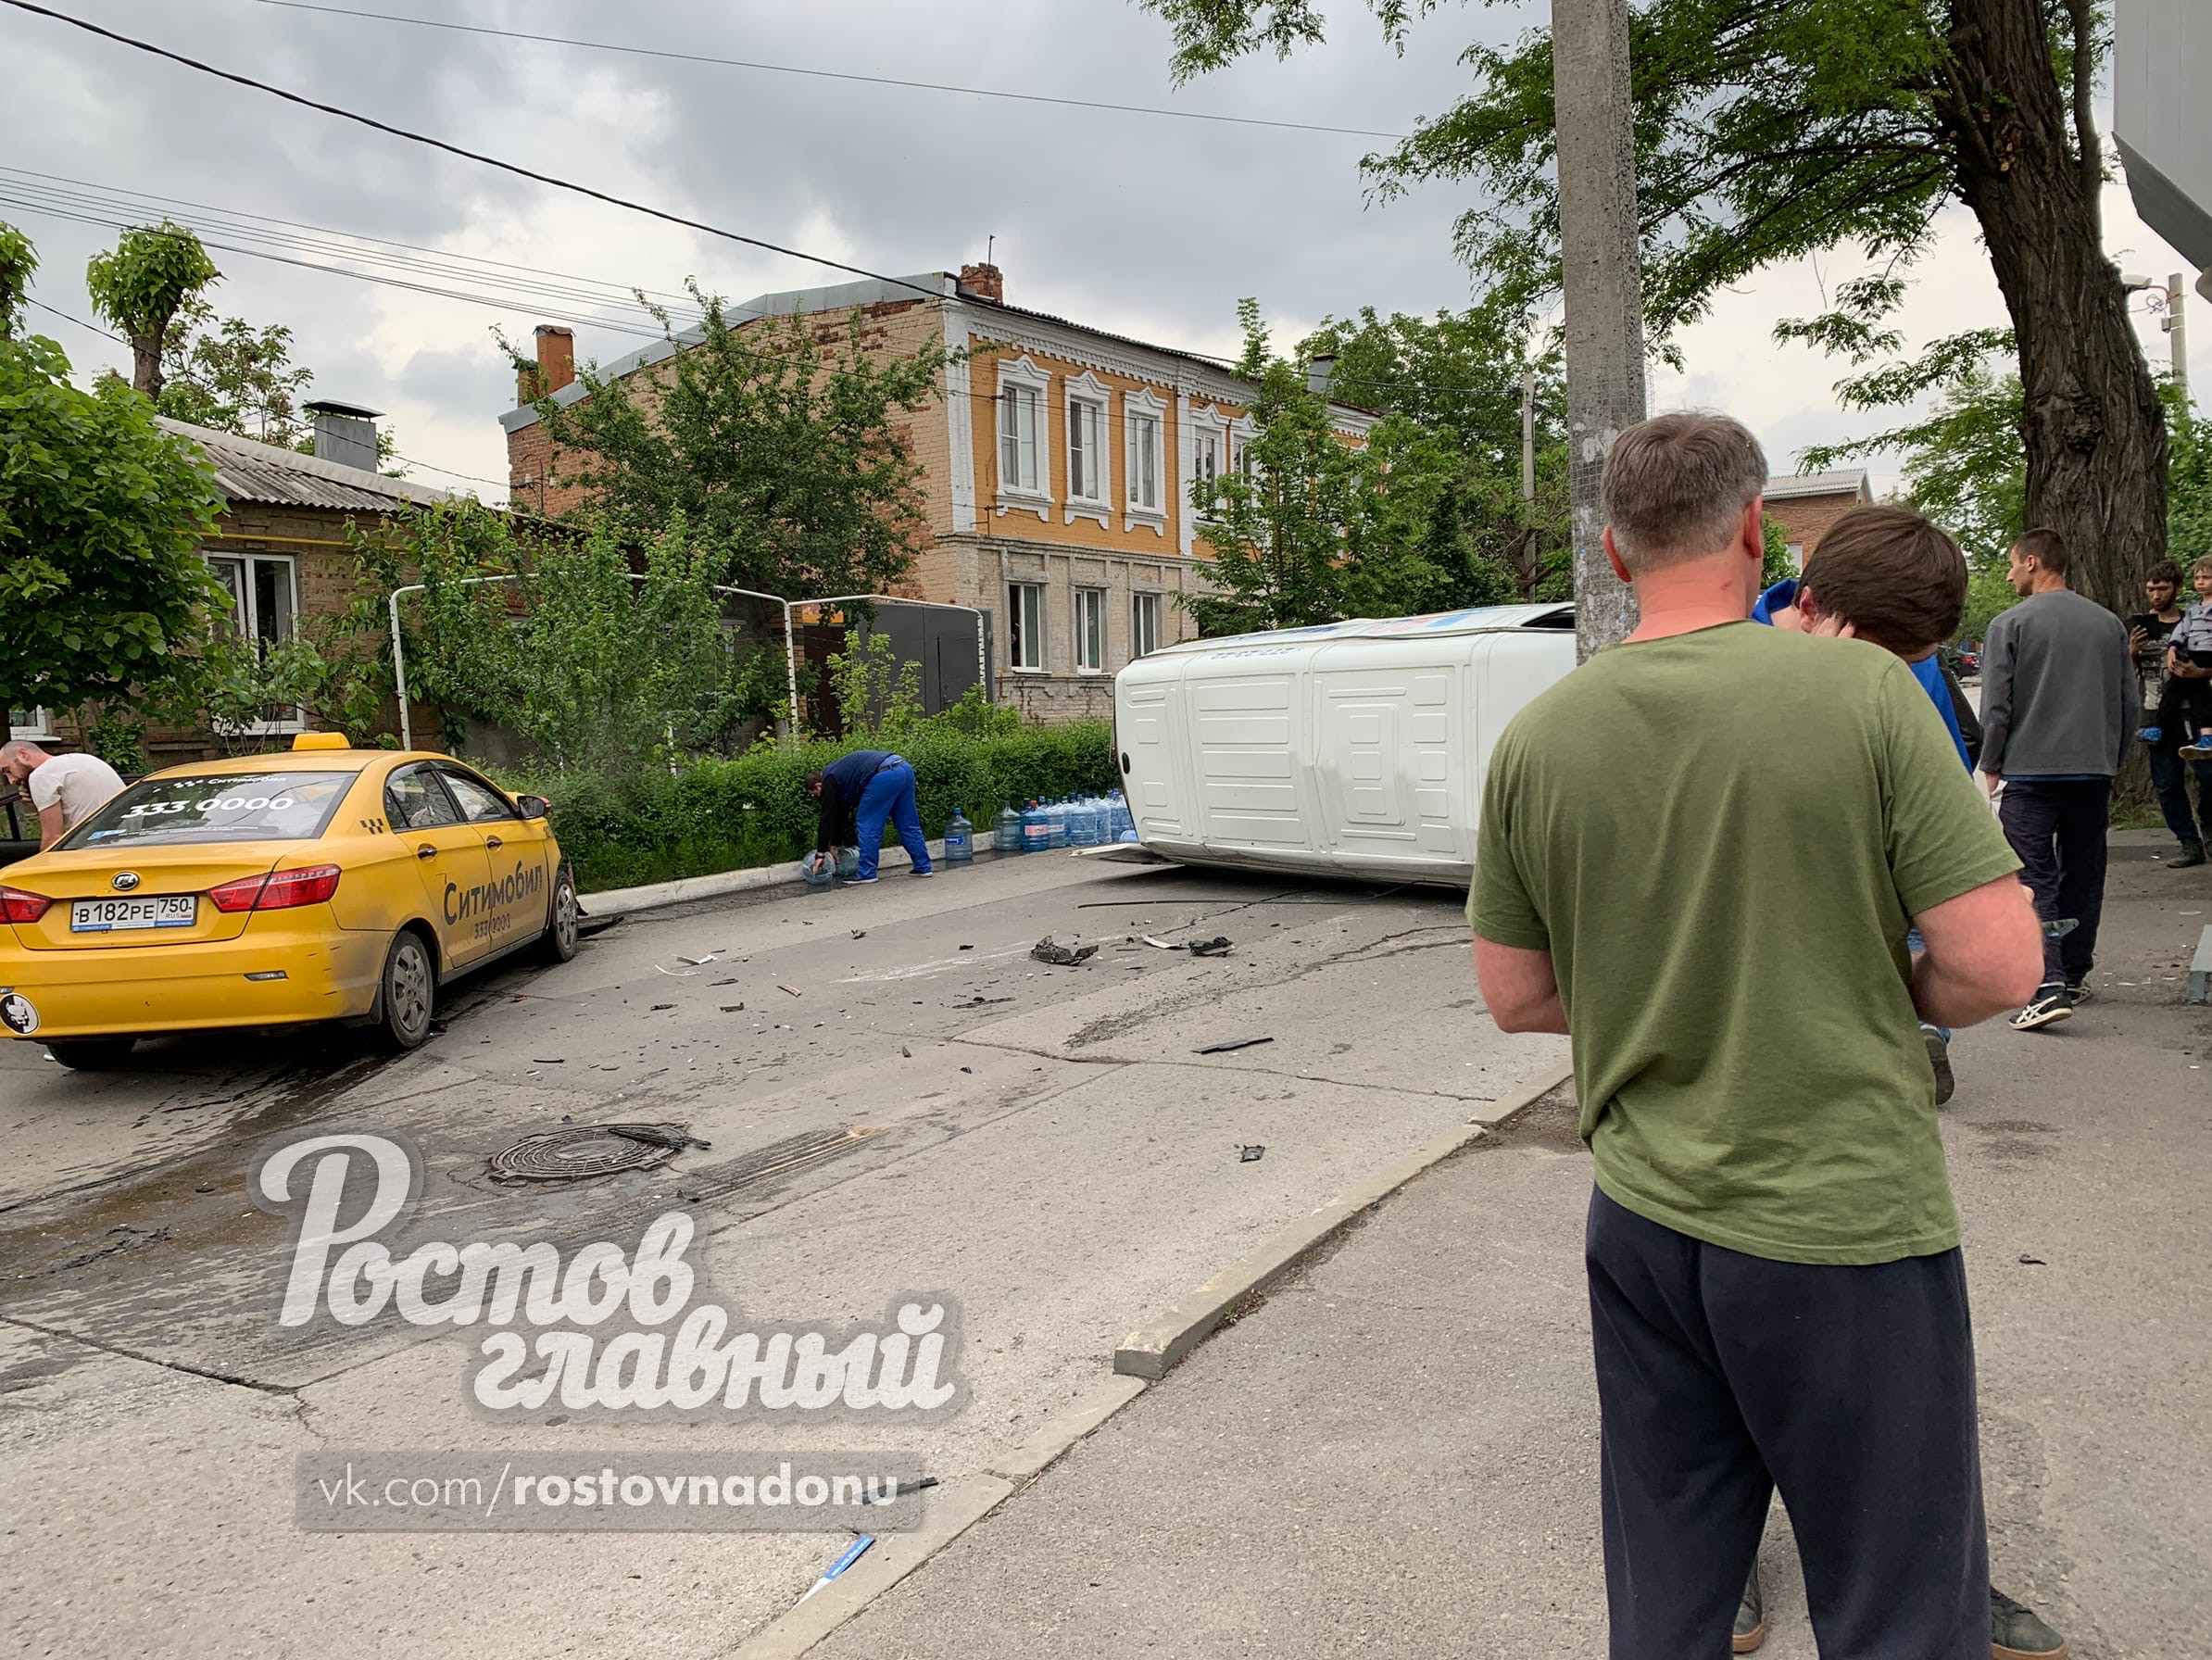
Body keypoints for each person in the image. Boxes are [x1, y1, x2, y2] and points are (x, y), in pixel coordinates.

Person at [1469, 411, 2044, 1659]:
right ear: (1751, 528)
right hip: (1837, 1216)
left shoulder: (1538, 739)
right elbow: (2002, 965)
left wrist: (1654, 993)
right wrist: (1853, 990)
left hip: (1642, 1220)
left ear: (1617, 557)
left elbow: (1515, 997)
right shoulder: (1866, 692)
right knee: (1896, 1594)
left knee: (1671, 1585)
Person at [1755, 506, 1978, 1108]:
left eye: (1913, 661)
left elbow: (1947, 781)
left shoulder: (1916, 660)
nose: (1896, 675)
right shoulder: (1733, 654)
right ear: (1808, 610)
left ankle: (1920, 1033)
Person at [1978, 528, 2140, 1030]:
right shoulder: (2108, 624)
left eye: (2011, 564)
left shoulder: (2010, 624)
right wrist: (2112, 756)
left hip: (2030, 769)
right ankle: (2072, 973)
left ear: (2032, 562)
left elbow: (1997, 706)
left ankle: (2045, 984)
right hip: (2092, 769)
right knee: (2084, 871)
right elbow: (2127, 702)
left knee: (2033, 874)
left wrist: (1991, 761)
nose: (2007, 574)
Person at [2127, 560, 2207, 866]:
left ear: (2176, 588)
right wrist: (2131, 651)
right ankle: (2188, 841)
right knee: (2166, 782)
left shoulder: (2193, 621)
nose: (2156, 595)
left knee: (2207, 777)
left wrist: (2199, 671)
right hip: (2154, 712)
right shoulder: (2138, 626)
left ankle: (2209, 832)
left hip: (2194, 712)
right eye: (2151, 589)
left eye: (2162, 588)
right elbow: (2124, 671)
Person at [803, 749, 932, 886]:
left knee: (868, 824)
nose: (818, 797)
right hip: (904, 768)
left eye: (814, 794)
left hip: (882, 776)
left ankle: (867, 873)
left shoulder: (828, 780)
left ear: (818, 786)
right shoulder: (838, 773)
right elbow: (839, 815)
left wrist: (821, 853)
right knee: (908, 823)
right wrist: (834, 845)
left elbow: (827, 817)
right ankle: (923, 867)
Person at [0, 741, 125, 849]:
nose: (11, 780)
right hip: (128, 843)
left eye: (8, 771)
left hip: (91, 849)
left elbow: (52, 838)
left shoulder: (41, 775)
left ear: (23, 755)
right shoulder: (85, 759)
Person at [2167, 555, 2212, 763]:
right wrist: (2173, 647)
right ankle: (2158, 726)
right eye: (2197, 578)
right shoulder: (2194, 608)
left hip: (2208, 653)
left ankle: (2207, 736)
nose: (2201, 582)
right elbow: (2182, 629)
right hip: (2192, 652)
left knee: (2198, 692)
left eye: (2206, 577)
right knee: (2185, 689)